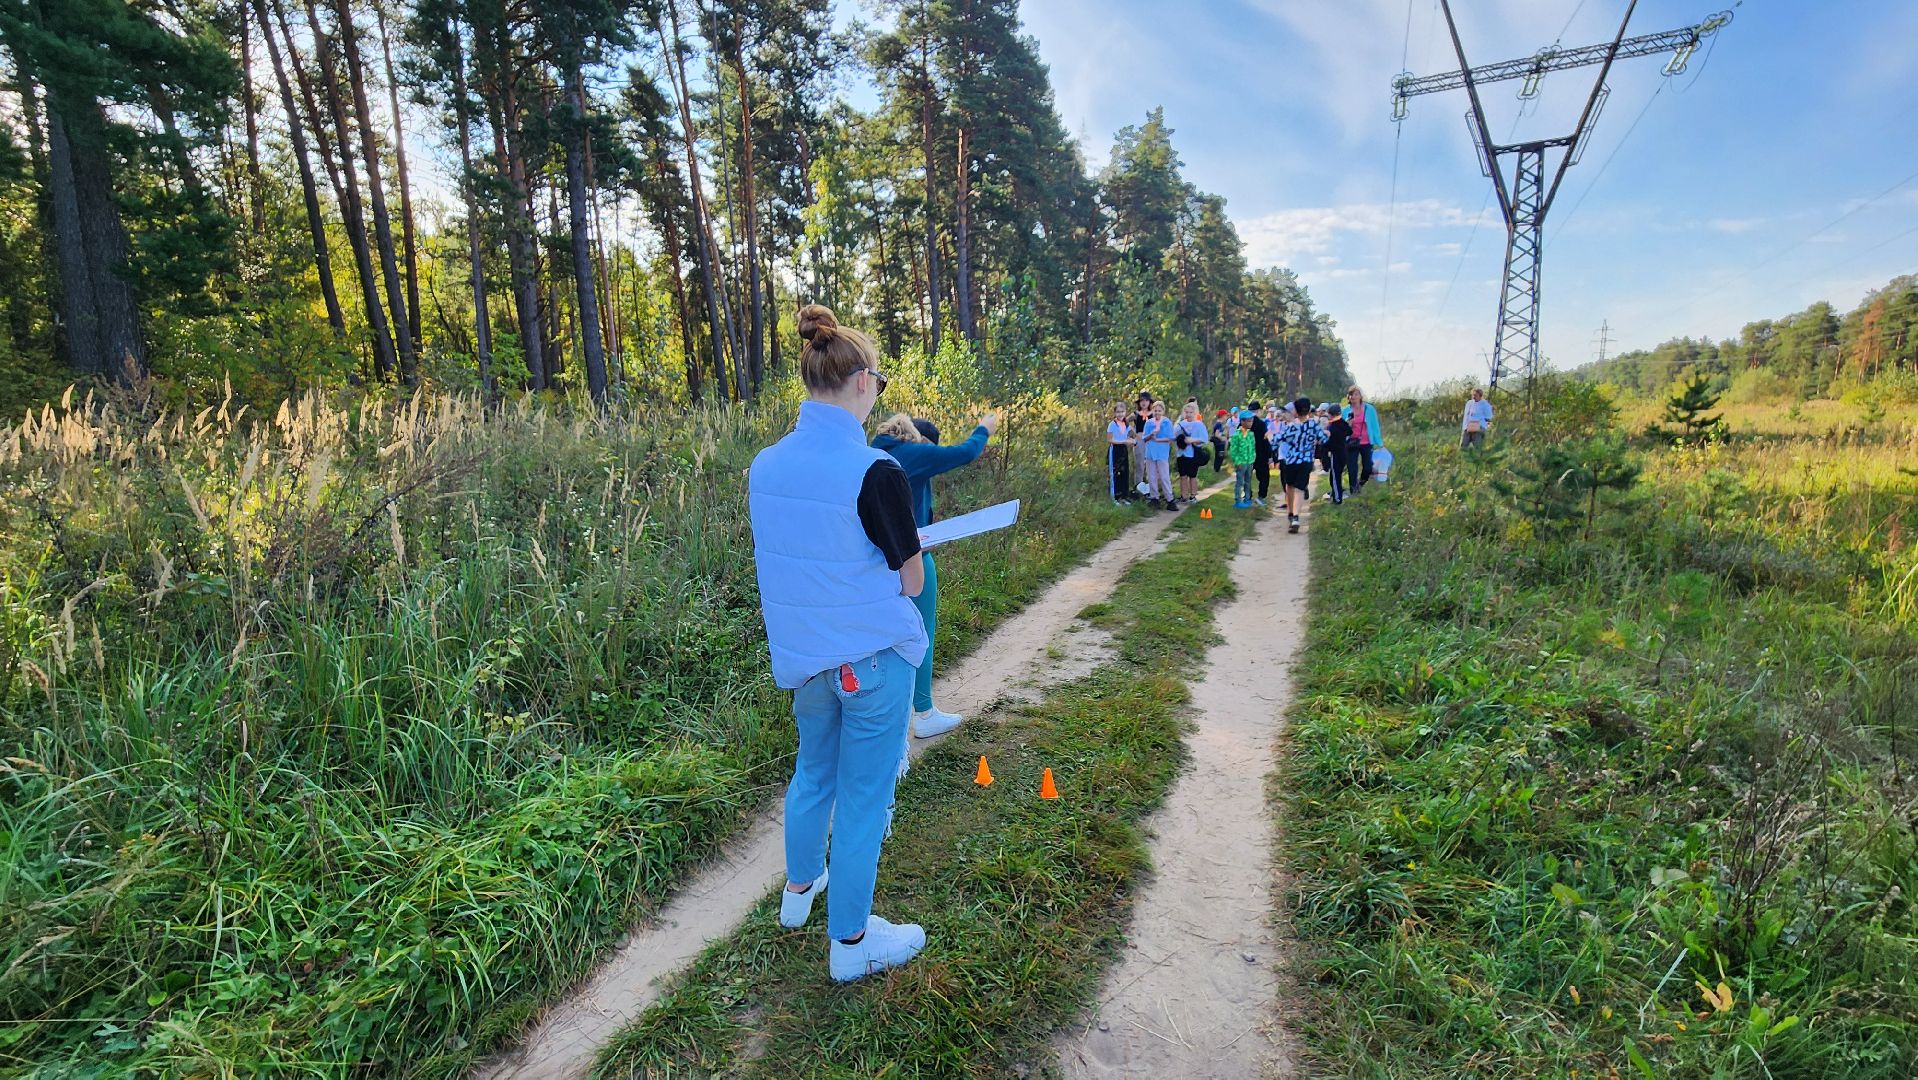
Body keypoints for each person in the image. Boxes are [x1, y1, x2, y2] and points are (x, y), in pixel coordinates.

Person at [749, 304, 927, 982]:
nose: (878, 392)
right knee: (862, 799)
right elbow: (910, 582)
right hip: (871, 661)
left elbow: (799, 554)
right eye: (878, 381)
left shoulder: (765, 465)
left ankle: (800, 893)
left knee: (812, 774)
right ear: (859, 382)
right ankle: (851, 944)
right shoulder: (874, 470)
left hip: (808, 663)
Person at [871, 409, 997, 740]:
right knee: (921, 632)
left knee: (885, 638)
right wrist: (984, 428)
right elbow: (965, 452)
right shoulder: (913, 453)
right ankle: (924, 713)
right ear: (921, 439)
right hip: (912, 558)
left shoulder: (872, 451)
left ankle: (884, 712)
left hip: (875, 563)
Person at [1274, 397, 1324, 534]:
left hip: (1292, 461)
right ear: (1308, 410)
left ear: (1295, 410)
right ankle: (1296, 516)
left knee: (1289, 486)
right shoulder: (1314, 425)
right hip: (1307, 460)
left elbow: (1278, 439)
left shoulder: (1292, 426)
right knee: (1300, 488)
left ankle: (1291, 513)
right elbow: (1323, 439)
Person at [1342, 386, 1383, 493]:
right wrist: (1348, 424)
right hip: (1351, 442)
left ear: (1360, 396)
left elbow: (1374, 426)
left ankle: (1360, 483)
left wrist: (1379, 442)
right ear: (1348, 397)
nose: (1353, 397)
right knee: (1352, 467)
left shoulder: (1369, 409)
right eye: (1351, 395)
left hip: (1366, 442)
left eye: (1356, 394)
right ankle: (1353, 490)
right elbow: (1342, 428)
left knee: (1368, 467)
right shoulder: (1346, 411)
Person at [1141, 399, 1177, 510]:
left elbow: (1171, 438)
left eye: (1159, 411)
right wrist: (1151, 435)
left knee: (1164, 476)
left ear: (1163, 411)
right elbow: (1144, 438)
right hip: (1150, 452)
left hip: (1162, 452)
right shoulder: (1149, 423)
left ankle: (1170, 499)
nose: (1157, 413)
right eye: (1155, 410)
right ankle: (1154, 498)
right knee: (1151, 476)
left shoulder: (1167, 422)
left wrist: (1158, 439)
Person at [1173, 401, 1210, 505]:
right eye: (1187, 412)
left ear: (1195, 413)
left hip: (1193, 454)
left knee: (1192, 476)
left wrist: (1192, 440)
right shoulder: (1180, 425)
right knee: (1182, 475)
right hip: (1182, 453)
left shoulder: (1199, 425)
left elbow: (1204, 439)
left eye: (1190, 412)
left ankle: (1193, 495)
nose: (1188, 414)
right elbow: (1173, 436)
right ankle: (1183, 495)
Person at [1323, 404, 1352, 505]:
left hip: (1335, 453)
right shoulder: (1343, 423)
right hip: (1344, 452)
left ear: (1331, 415)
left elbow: (1329, 442)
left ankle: (1337, 498)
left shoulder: (1332, 427)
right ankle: (1336, 494)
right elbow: (1349, 432)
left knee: (1335, 477)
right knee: (1335, 475)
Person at [1106, 403, 1135, 504]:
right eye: (1118, 412)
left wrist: (1132, 440)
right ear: (1115, 413)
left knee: (1124, 472)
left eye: (1122, 412)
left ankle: (1124, 495)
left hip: (1123, 449)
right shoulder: (1112, 424)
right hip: (1115, 450)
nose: (1120, 414)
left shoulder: (1126, 424)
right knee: (1115, 473)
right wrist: (1124, 441)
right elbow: (1110, 439)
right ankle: (1115, 497)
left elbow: (1132, 435)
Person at [1228, 412, 1257, 507]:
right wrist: (1237, 461)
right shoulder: (1236, 435)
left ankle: (1247, 498)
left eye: (1251, 421)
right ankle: (1238, 500)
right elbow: (1233, 450)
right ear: (1242, 421)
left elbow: (1253, 448)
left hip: (1249, 461)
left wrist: (1253, 459)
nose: (1250, 423)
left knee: (1248, 481)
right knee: (1240, 481)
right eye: (1248, 421)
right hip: (1241, 462)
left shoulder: (1251, 434)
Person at [1246, 399, 1271, 507]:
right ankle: (1261, 497)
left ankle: (1247, 495)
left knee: (1246, 476)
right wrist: (1269, 455)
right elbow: (1265, 440)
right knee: (1264, 476)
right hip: (1260, 454)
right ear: (1258, 410)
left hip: (1247, 454)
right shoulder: (1261, 424)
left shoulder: (1244, 422)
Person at [1209, 408, 1232, 475]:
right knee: (1219, 456)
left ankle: (1217, 469)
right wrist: (1222, 438)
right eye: (1225, 416)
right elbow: (1216, 434)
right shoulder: (1219, 424)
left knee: (1219, 456)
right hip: (1218, 443)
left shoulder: (1219, 423)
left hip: (1218, 442)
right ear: (1222, 416)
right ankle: (1216, 469)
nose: (1226, 417)